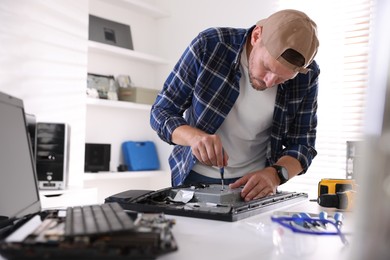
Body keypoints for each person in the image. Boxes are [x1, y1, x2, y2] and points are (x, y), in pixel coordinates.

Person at [150, 9, 320, 202]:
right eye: (267, 67)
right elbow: (161, 111)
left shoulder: (308, 76)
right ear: (257, 36)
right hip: (193, 176)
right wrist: (194, 138)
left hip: (255, 186)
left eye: (282, 78)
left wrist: (275, 175)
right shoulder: (211, 44)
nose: (270, 81)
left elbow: (302, 144)